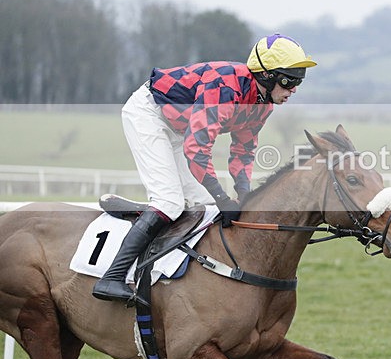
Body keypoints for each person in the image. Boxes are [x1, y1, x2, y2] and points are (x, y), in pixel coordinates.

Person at [92, 34, 316, 305]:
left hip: (179, 128)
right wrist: (223, 197)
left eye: (299, 82)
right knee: (170, 202)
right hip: (149, 114)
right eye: (288, 81)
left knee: (204, 206)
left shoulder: (262, 104)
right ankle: (112, 277)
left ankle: (175, 272)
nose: (294, 89)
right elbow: (197, 149)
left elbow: (243, 150)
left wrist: (243, 195)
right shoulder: (225, 88)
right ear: (267, 76)